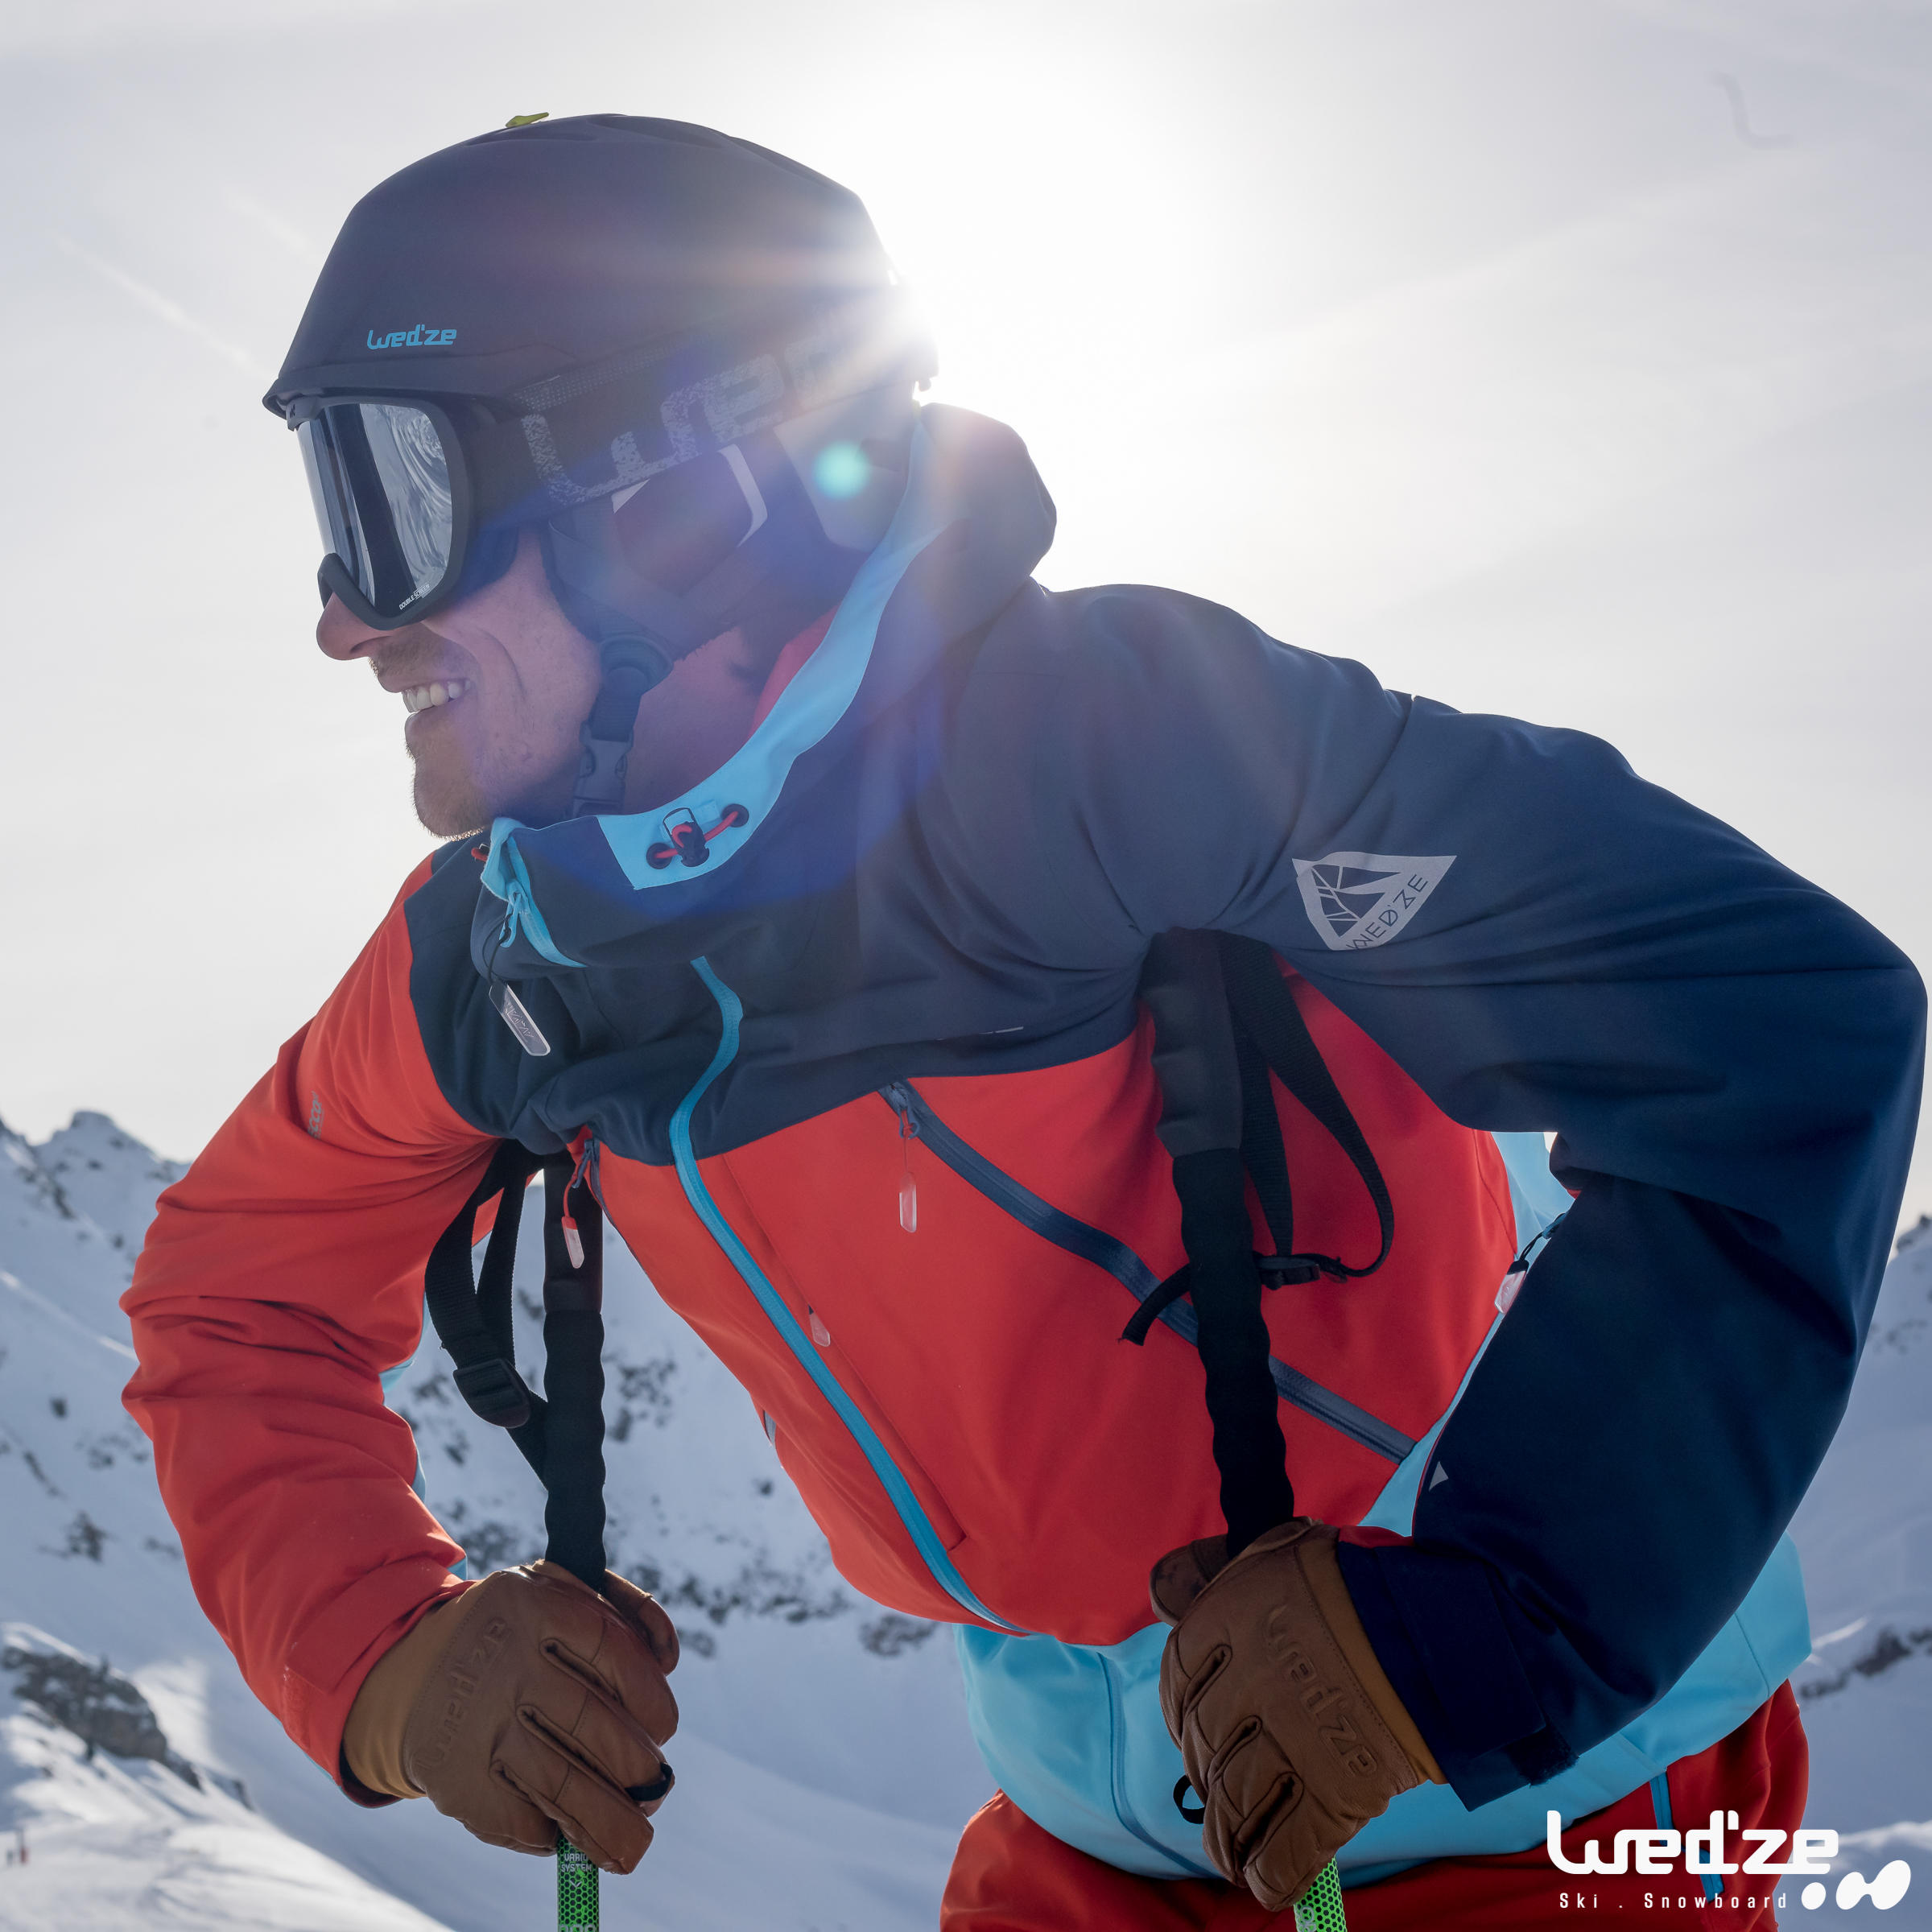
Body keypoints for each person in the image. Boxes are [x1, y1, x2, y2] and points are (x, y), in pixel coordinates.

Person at [124, 114, 1924, 1930]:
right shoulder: (506, 958)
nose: (347, 619)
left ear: (672, 512)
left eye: (395, 498)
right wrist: (382, 1652)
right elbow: (232, 1294)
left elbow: (1770, 1021)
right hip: (1090, 1846)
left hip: (1540, 1819)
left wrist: (1490, 1622)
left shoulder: (1122, 758)